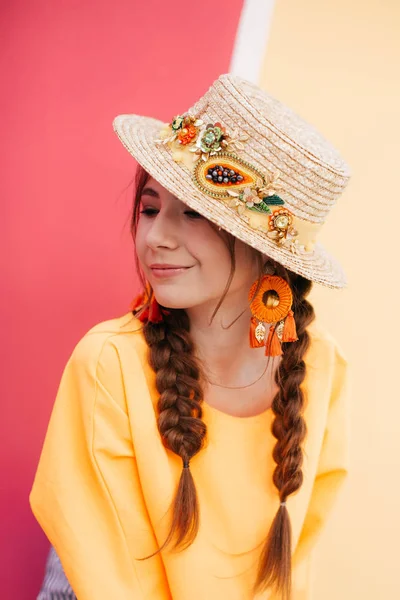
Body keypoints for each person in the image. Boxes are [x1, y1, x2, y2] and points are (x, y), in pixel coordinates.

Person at [29, 73, 352, 600]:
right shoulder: (109, 361)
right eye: (150, 208)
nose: (155, 237)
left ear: (267, 251)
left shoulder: (323, 368)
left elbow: (295, 566)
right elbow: (107, 575)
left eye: (194, 213)